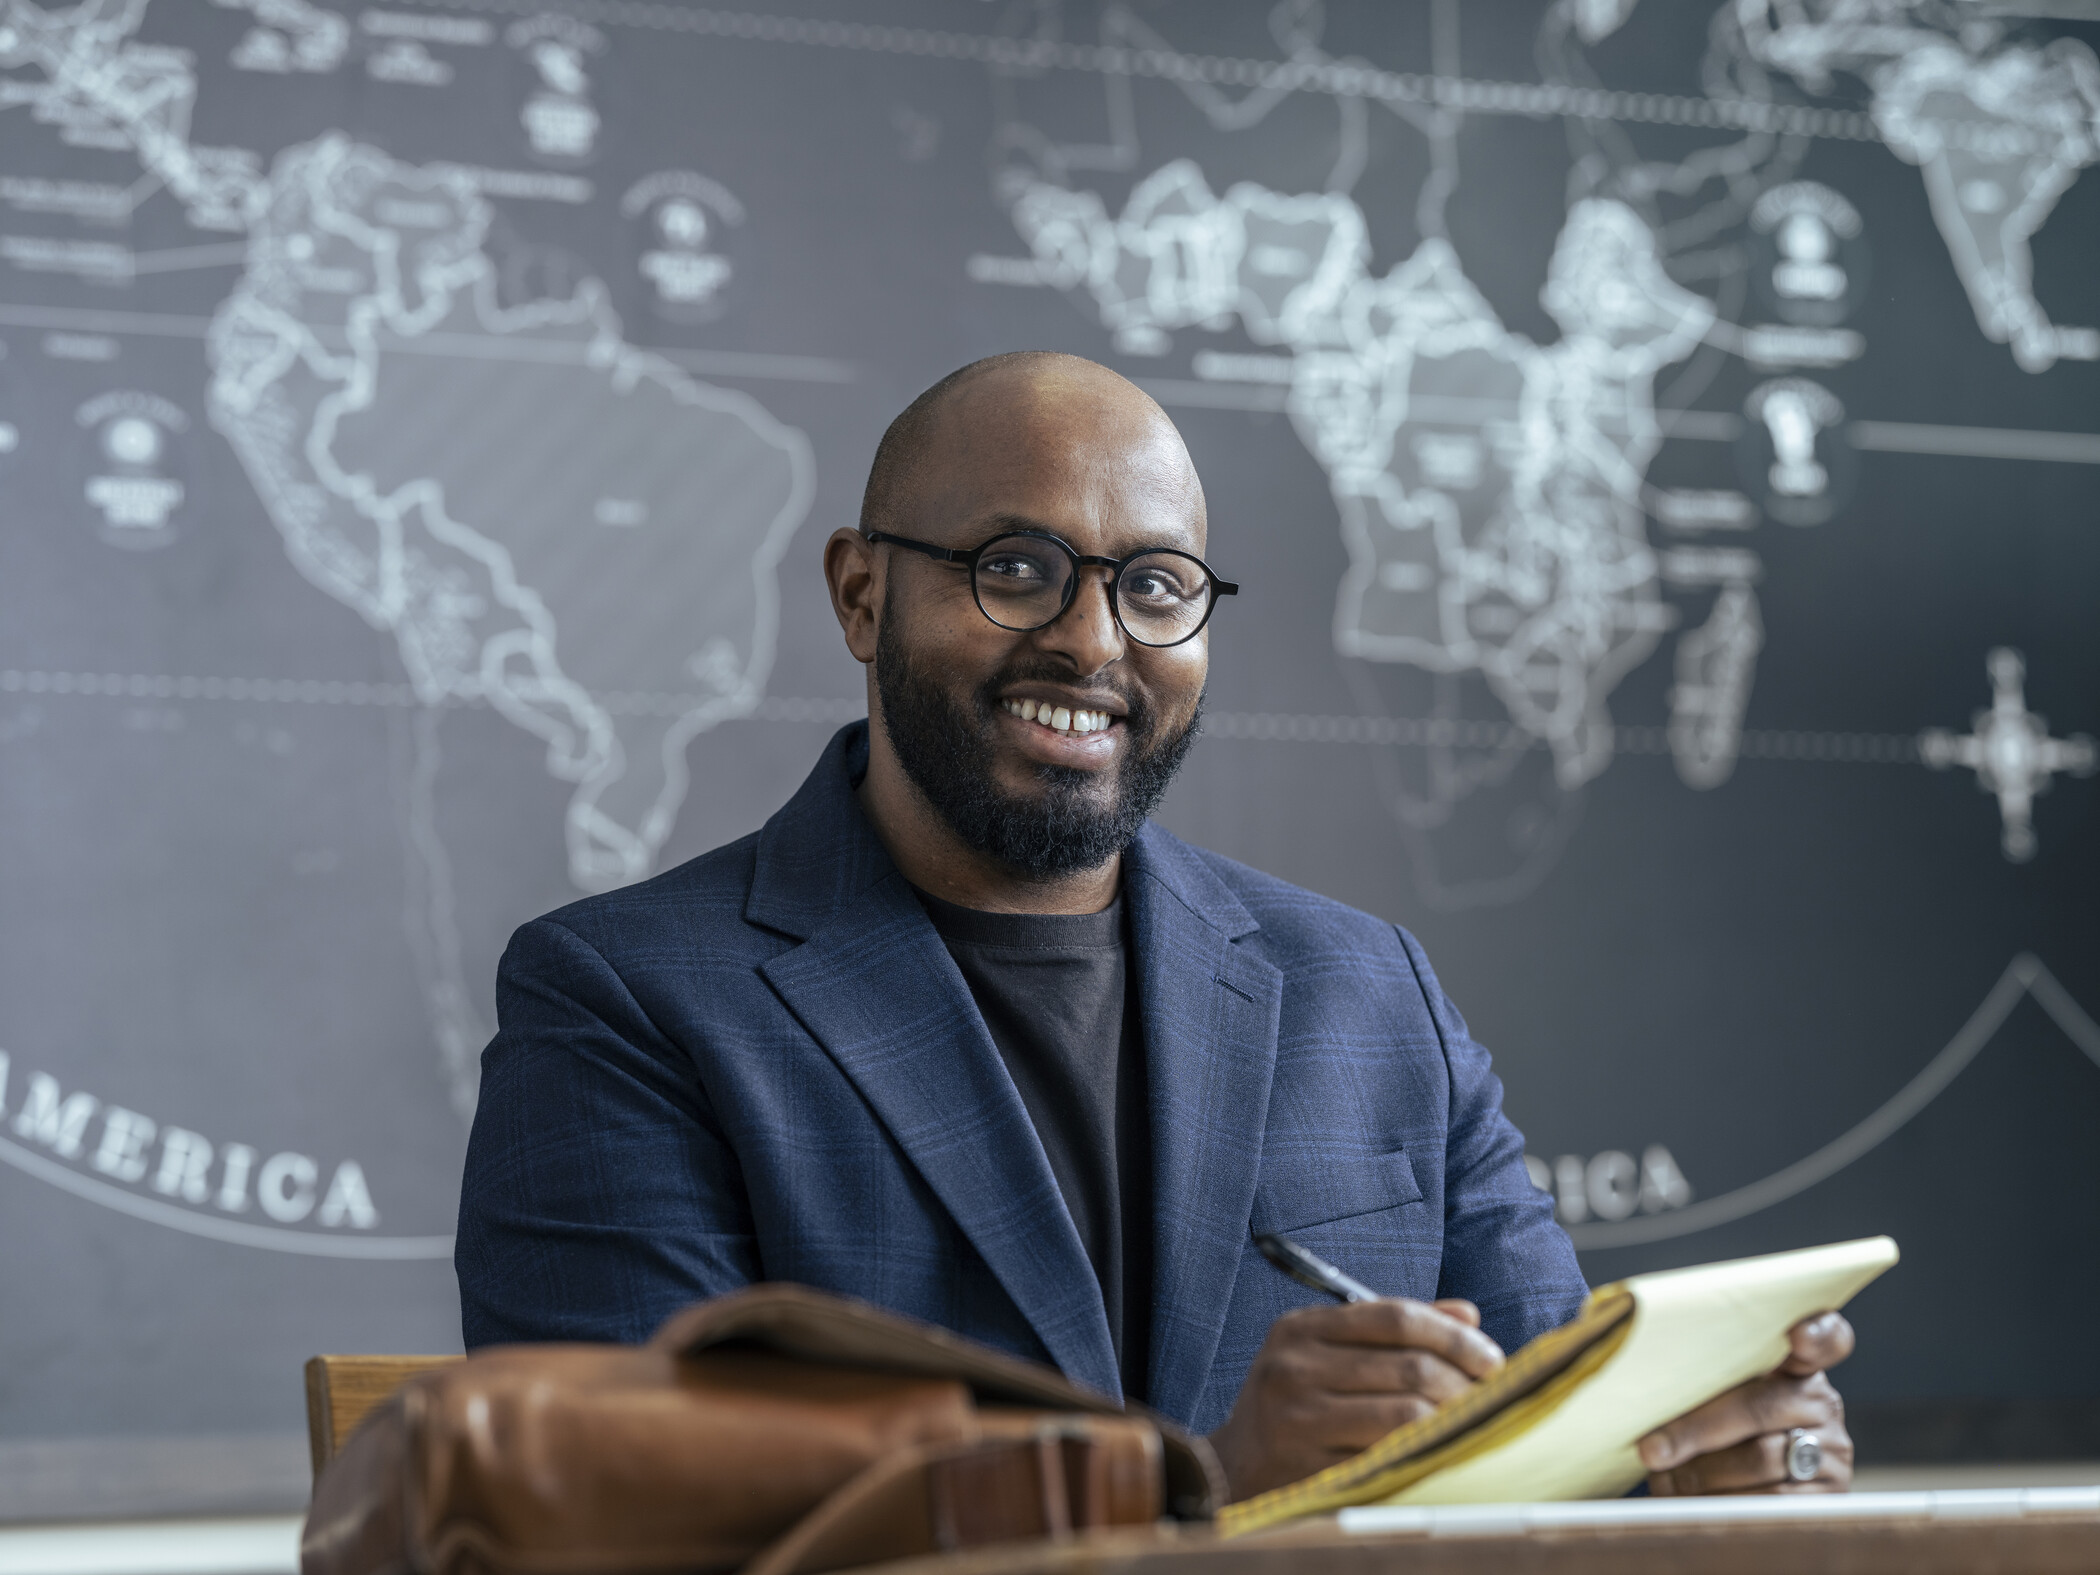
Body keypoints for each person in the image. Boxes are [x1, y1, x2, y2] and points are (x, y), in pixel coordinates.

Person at [456, 352, 1854, 1500]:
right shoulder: (626, 1002)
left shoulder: (1369, 991)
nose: (1093, 641)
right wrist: (1205, 1489)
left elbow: (1558, 1438)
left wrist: (1689, 1470)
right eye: (1017, 568)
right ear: (860, 594)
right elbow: (637, 1527)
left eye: (1156, 586)